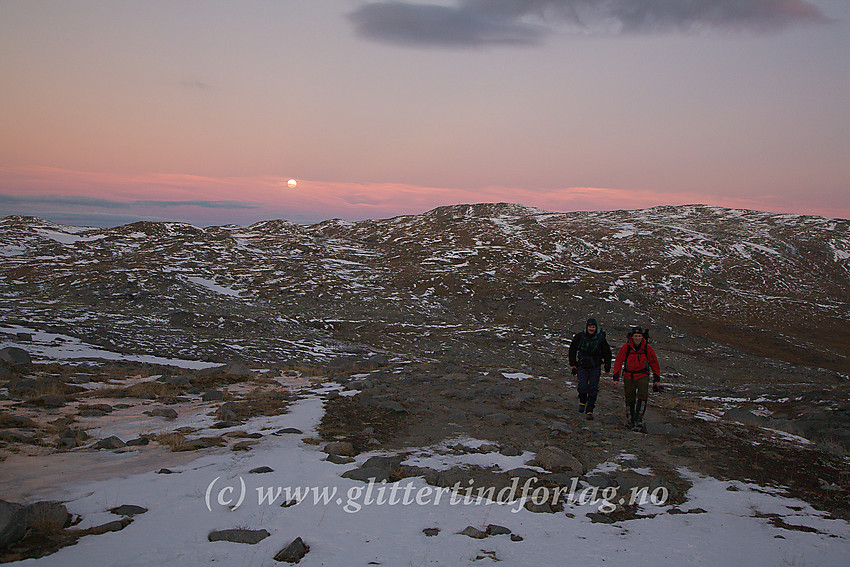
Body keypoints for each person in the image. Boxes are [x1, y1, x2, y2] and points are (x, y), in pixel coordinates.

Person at [612, 327, 661, 432]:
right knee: (629, 397)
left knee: (643, 395)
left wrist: (656, 379)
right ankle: (630, 420)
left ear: (642, 337)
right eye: (635, 336)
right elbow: (619, 361)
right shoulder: (626, 347)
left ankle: (639, 419)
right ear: (632, 337)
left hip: (642, 374)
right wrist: (616, 377)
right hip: (629, 375)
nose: (637, 338)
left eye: (639, 336)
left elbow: (654, 363)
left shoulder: (647, 348)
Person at [568, 318, 612, 421]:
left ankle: (589, 410)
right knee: (582, 386)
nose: (591, 329)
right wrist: (572, 364)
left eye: (593, 327)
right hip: (582, 366)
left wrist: (607, 367)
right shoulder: (580, 337)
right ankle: (582, 400)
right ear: (586, 327)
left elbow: (607, 353)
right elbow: (572, 350)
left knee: (593, 388)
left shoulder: (600, 338)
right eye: (590, 327)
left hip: (595, 366)